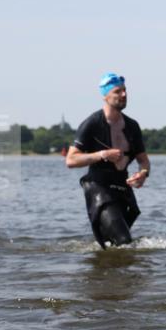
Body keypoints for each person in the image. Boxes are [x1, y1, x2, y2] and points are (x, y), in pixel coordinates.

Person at [66, 73, 150, 248]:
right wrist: (102, 154)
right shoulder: (92, 123)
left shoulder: (132, 126)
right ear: (105, 96)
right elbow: (71, 160)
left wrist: (143, 174)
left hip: (122, 188)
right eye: (118, 91)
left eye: (125, 91)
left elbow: (143, 160)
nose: (124, 95)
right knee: (124, 242)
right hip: (99, 188)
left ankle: (106, 272)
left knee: (111, 245)